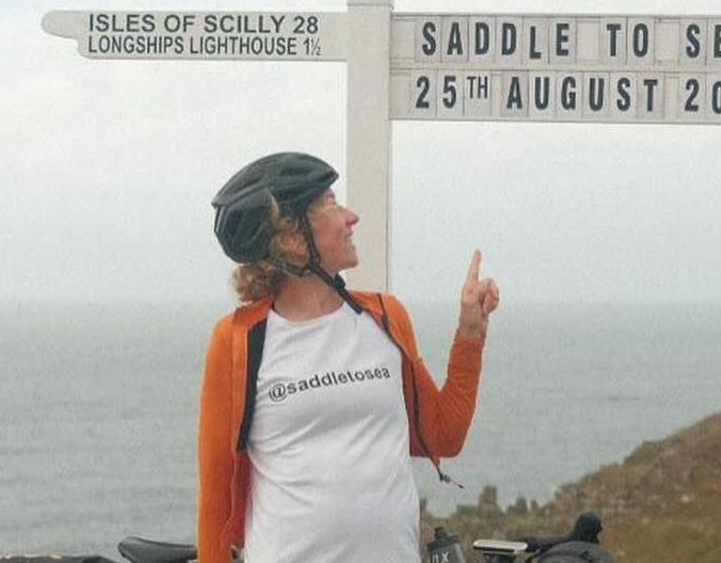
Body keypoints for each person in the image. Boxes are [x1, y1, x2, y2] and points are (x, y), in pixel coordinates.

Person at [195, 152, 499, 563]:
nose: (351, 216)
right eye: (331, 205)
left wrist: (470, 334)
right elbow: (216, 498)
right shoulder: (238, 341)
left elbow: (444, 435)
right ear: (290, 236)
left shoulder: (386, 318)